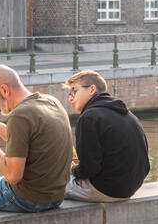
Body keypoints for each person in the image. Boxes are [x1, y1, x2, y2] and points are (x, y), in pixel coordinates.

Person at [0, 65, 73, 213]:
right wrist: (0, 129)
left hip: (26, 198)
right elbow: (35, 141)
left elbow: (12, 176)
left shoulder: (19, 115)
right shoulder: (52, 102)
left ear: (4, 90)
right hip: (56, 198)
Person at [62, 70, 150, 202]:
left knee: (49, 187)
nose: (70, 98)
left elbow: (89, 169)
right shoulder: (127, 114)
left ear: (91, 89)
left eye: (74, 91)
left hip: (106, 189)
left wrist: (73, 169)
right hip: (132, 187)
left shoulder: (89, 117)